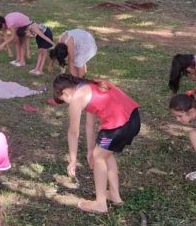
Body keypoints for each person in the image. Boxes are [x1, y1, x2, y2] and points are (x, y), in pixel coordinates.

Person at [52, 74, 141, 213]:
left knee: (99, 157)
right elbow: (89, 125)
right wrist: (89, 150)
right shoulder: (91, 86)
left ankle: (100, 204)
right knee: (106, 154)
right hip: (134, 119)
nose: (67, 104)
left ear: (65, 92)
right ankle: (115, 196)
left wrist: (73, 160)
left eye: (63, 100)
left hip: (119, 125)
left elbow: (73, 133)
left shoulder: (77, 98)